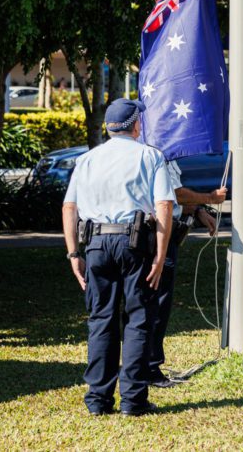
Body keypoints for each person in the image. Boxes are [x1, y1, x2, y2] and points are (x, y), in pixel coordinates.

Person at [62, 98, 175, 416]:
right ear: (136, 125)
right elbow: (164, 205)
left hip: (96, 244)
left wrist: (73, 253)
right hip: (134, 243)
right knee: (138, 320)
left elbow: (69, 207)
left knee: (101, 320)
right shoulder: (150, 156)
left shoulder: (87, 159)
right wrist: (161, 254)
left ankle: (98, 400)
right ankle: (133, 401)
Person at [147, 160, 225, 388]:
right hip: (155, 234)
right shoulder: (155, 155)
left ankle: (146, 365)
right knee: (155, 303)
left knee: (158, 302)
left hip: (163, 232)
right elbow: (174, 195)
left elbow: (176, 198)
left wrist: (198, 210)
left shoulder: (166, 156)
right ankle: (148, 368)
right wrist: (210, 198)